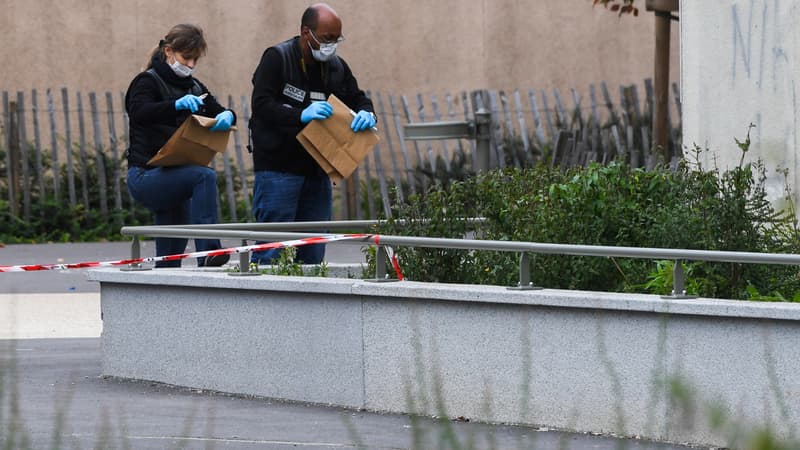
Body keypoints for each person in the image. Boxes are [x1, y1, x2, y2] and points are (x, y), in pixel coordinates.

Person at [249, 3, 376, 265]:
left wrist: (368, 113)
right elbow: (261, 105)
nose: (332, 45)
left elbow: (357, 98)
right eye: (327, 39)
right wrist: (300, 114)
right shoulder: (277, 58)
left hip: (317, 170)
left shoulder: (336, 67)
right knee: (273, 251)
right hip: (278, 170)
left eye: (337, 39)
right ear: (306, 32)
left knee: (314, 253)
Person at [125, 24, 235, 268]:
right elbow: (139, 112)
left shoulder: (195, 87)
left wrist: (228, 116)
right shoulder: (146, 82)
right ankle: (209, 251)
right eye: (186, 57)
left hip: (172, 173)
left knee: (170, 256)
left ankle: (164, 288)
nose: (191, 65)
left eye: (195, 59)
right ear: (168, 51)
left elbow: (220, 111)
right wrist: (175, 105)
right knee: (204, 177)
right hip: (145, 174)